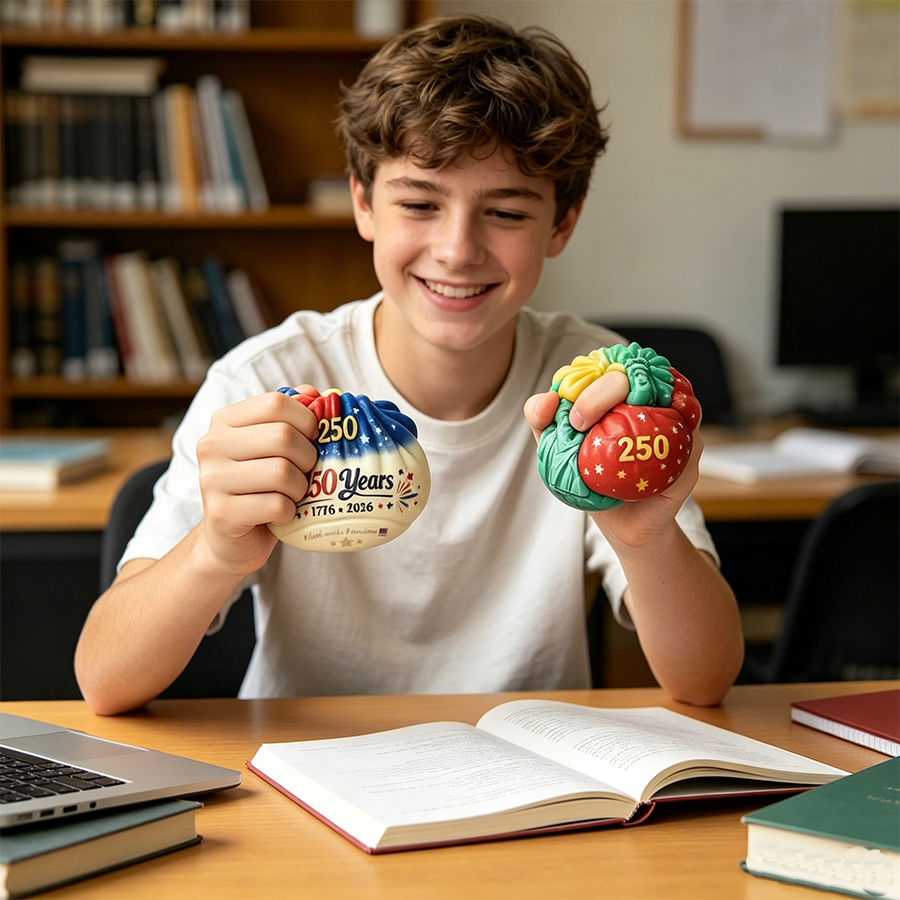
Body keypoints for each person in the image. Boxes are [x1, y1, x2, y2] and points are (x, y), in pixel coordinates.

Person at [75, 14, 743, 715]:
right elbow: (105, 680)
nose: (457, 250)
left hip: (524, 764)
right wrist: (215, 551)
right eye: (420, 203)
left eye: (507, 213)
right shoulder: (263, 381)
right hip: (306, 762)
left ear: (562, 224)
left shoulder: (595, 389)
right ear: (364, 204)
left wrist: (646, 541)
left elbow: (704, 682)